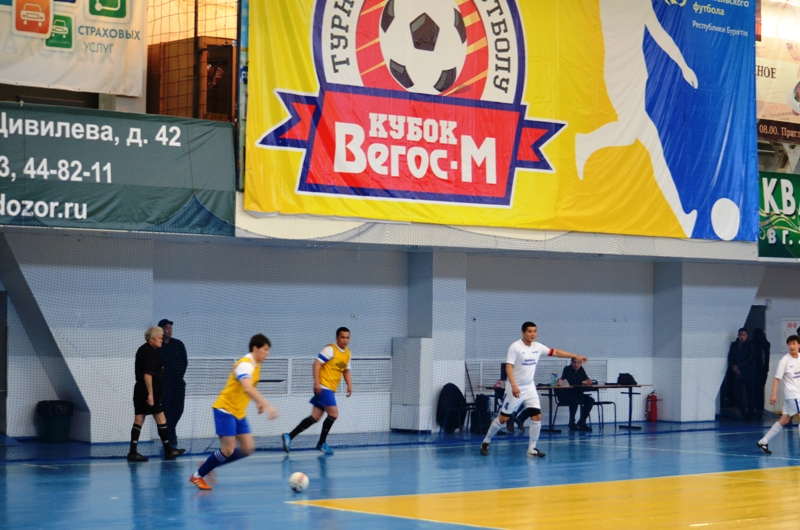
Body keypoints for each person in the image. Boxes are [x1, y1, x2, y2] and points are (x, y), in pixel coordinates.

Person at [574, 0, 698, 237]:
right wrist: (683, 66)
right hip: (623, 76)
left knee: (651, 144)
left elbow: (659, 34)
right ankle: (585, 143)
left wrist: (683, 66)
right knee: (638, 137)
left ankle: (683, 218)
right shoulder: (634, 4)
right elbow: (659, 35)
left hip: (630, 75)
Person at [480, 322, 588, 457]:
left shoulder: (538, 347)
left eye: (535, 331)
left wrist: (576, 356)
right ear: (523, 333)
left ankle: (531, 449)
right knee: (503, 418)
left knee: (537, 416)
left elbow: (555, 352)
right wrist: (513, 386)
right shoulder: (515, 347)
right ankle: (486, 441)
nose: (532, 334)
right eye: (529, 331)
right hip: (515, 388)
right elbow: (508, 367)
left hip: (530, 387)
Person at [189, 334, 278, 490]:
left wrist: (258, 403)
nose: (267, 353)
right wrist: (267, 405)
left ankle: (209, 465)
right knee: (228, 449)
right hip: (225, 409)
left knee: (247, 448)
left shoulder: (256, 365)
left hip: (238, 412)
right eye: (265, 349)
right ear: (255, 348)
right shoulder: (245, 365)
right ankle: (197, 476)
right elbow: (247, 387)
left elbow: (250, 387)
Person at [282, 327, 353, 455]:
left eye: (347, 338)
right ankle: (321, 443)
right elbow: (316, 364)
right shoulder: (330, 349)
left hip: (330, 388)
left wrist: (349, 385)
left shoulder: (347, 353)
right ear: (337, 338)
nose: (345, 340)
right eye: (342, 337)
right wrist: (317, 383)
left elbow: (346, 370)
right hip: (324, 386)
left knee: (315, 417)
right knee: (334, 414)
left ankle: (289, 436)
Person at [128, 326, 184, 462]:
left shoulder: (142, 349)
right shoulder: (151, 352)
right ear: (151, 339)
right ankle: (169, 450)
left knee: (139, 419)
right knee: (161, 418)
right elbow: (147, 374)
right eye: (159, 338)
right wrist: (151, 395)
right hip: (149, 389)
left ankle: (132, 452)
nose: (161, 340)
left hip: (139, 389)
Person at [757, 335, 800, 455]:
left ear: (799, 345)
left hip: (797, 395)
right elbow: (777, 379)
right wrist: (773, 394)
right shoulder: (784, 361)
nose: (791, 346)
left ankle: (763, 441)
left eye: (794, 343)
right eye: (789, 344)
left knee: (784, 420)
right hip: (792, 395)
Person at [156, 319, 187, 451]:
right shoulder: (157, 346)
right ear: (161, 330)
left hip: (178, 383)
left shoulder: (178, 344)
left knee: (178, 409)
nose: (169, 330)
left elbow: (184, 362)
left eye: (170, 328)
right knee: (166, 410)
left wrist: (178, 376)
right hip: (163, 384)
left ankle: (171, 430)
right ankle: (169, 436)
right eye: (166, 327)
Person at [556, 358, 596, 431]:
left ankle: (582, 422)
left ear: (581, 364)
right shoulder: (567, 369)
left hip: (578, 394)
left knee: (590, 400)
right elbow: (569, 381)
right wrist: (582, 382)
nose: (576, 365)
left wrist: (588, 381)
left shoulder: (581, 369)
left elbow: (586, 379)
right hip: (566, 395)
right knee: (575, 400)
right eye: (574, 362)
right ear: (571, 363)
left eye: (578, 363)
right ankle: (571, 422)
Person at [728, 328, 756, 421]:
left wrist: (738, 367)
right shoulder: (734, 345)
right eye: (740, 335)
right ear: (738, 335)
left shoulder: (750, 345)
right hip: (737, 374)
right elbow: (730, 357)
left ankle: (750, 414)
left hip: (747, 373)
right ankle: (743, 412)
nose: (742, 337)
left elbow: (750, 359)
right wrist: (733, 366)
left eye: (744, 335)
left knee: (750, 395)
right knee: (737, 395)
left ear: (746, 336)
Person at [751, 328, 771, 422]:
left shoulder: (754, 343)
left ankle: (755, 409)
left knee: (754, 390)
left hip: (755, 370)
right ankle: (760, 409)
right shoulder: (766, 344)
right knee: (761, 390)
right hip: (764, 371)